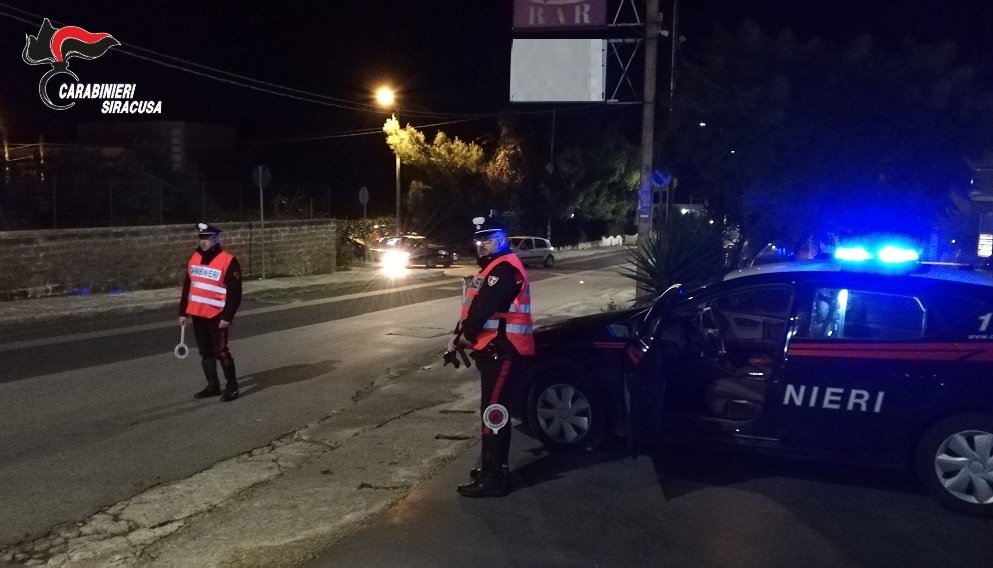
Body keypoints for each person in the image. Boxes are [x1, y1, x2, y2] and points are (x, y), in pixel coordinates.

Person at [448, 217, 534, 498]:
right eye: (479, 240)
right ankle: (493, 467)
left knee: (494, 413)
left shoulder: (505, 269)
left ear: (502, 240)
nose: (482, 245)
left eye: (488, 239)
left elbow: (485, 307)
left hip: (503, 349)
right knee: (492, 410)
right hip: (494, 349)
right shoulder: (493, 268)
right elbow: (473, 308)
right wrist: (457, 335)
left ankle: (494, 477)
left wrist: (466, 336)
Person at [178, 223, 243, 402]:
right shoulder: (195, 257)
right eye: (201, 238)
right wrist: (183, 312)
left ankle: (232, 387)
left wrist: (227, 317)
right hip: (198, 314)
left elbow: (235, 293)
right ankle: (213, 385)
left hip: (217, 315)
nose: (203, 241)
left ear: (216, 239)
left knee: (221, 352)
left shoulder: (228, 260)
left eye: (207, 238)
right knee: (205, 351)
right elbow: (188, 287)